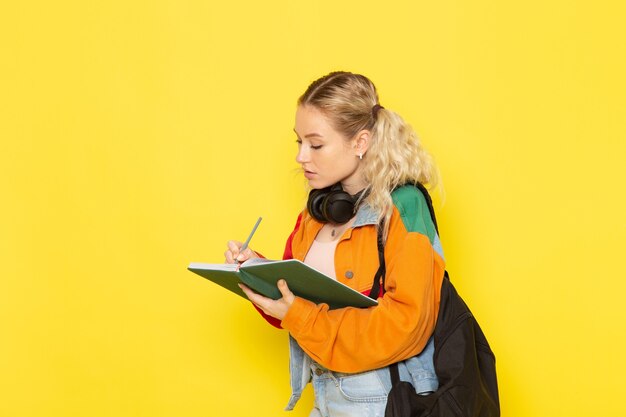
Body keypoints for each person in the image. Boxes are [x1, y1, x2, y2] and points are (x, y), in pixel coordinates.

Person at [224, 71, 446, 417]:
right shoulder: (317, 211)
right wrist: (257, 270)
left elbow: (408, 325)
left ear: (360, 142)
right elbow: (294, 312)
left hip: (378, 399)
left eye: (315, 144)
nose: (301, 156)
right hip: (324, 395)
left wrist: (300, 315)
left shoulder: (404, 206)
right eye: (298, 142)